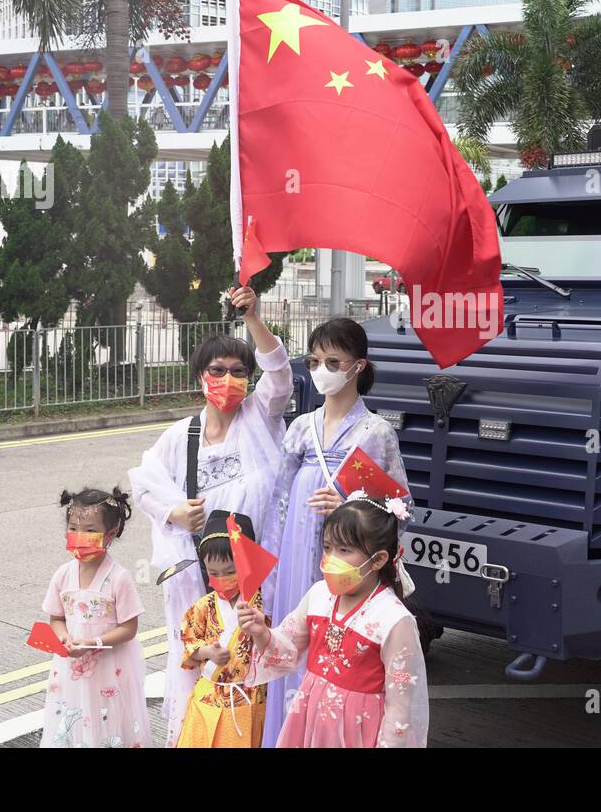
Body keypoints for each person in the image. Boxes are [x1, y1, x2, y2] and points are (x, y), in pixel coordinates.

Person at [128, 285, 292, 746]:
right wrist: (174, 511)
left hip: (259, 583)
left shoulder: (261, 418)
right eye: (217, 370)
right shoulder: (181, 437)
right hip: (200, 586)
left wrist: (253, 317)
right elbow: (143, 485)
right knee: (203, 669)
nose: (228, 379)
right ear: (200, 376)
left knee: (257, 671)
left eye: (239, 372)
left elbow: (279, 375)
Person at [259, 317, 410, 747]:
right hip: (293, 558)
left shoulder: (376, 433)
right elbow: (278, 506)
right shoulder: (301, 427)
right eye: (314, 359)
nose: (320, 368)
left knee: (332, 651)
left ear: (358, 366)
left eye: (332, 360)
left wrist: (348, 505)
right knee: (293, 639)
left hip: (344, 566)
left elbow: (401, 508)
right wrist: (269, 577)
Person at [241, 495, 428, 747]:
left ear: (379, 559)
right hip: (310, 720)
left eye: (344, 550)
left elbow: (401, 705)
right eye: (328, 547)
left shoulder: (394, 619)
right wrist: (262, 632)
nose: (331, 558)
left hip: (359, 730)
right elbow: (288, 646)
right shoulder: (318, 595)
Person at [41, 488, 151, 748]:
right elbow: (56, 618)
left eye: (90, 531)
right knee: (73, 718)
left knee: (109, 721)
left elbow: (129, 628)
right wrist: (64, 637)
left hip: (110, 668)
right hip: (71, 668)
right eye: (73, 528)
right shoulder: (62, 575)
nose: (80, 536)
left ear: (110, 534)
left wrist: (93, 643)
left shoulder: (119, 578)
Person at [175, 511, 269, 748]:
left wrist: (260, 633)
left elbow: (274, 648)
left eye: (229, 572)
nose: (220, 579)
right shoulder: (204, 606)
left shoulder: (264, 605)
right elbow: (189, 642)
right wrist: (208, 652)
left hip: (248, 698)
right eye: (213, 573)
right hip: (210, 696)